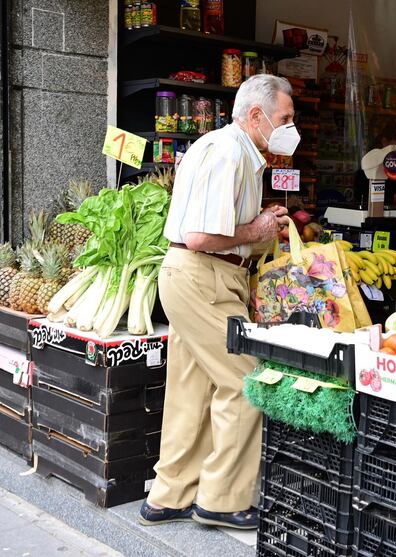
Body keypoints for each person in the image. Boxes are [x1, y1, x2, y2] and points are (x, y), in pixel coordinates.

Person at [139, 75, 298, 530]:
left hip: (198, 276)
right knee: (246, 381)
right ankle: (223, 501)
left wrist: (256, 230)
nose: (290, 127)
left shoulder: (238, 153)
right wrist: (259, 230)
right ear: (256, 116)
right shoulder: (228, 152)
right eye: (284, 118)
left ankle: (171, 494)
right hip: (202, 275)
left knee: (193, 387)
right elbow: (201, 236)